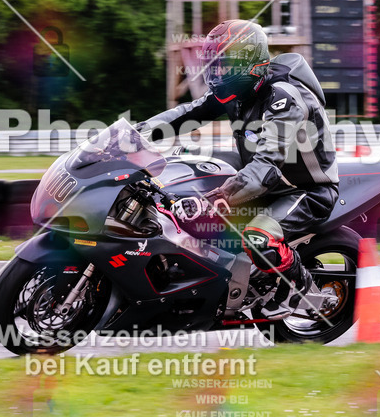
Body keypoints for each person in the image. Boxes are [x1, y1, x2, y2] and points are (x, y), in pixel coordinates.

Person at [141, 20, 339, 318]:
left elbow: (266, 167)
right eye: (213, 65)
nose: (216, 73)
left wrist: (220, 196)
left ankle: (301, 289)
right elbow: (186, 113)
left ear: (249, 63)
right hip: (264, 180)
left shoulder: (284, 98)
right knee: (183, 176)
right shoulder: (237, 92)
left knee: (259, 238)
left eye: (223, 65)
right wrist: (134, 134)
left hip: (304, 189)